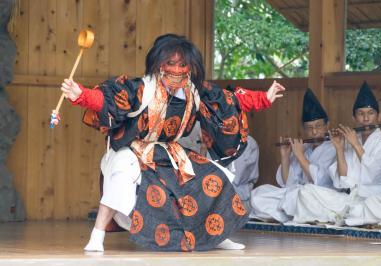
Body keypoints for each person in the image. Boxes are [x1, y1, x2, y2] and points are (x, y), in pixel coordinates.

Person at [60, 34, 285, 252]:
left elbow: (228, 100)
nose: (177, 70)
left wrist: (265, 98)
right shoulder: (141, 88)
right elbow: (109, 99)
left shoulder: (194, 92)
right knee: (121, 174)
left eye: (182, 64)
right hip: (133, 147)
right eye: (171, 63)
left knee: (215, 176)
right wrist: (81, 95)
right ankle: (97, 235)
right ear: (159, 64)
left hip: (169, 151)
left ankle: (218, 236)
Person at [293, 82, 381, 225]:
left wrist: (356, 145)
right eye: (361, 114)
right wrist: (339, 148)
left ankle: (342, 217)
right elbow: (342, 181)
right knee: (306, 192)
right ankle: (344, 217)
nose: (366, 119)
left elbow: (374, 174)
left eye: (370, 113)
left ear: (379, 117)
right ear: (354, 118)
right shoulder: (349, 141)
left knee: (371, 205)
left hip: (373, 197)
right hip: (349, 200)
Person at [250, 89, 336, 222]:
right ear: (303, 129)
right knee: (259, 194)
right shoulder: (303, 148)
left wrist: (300, 156)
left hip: (321, 197)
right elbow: (287, 184)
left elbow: (321, 180)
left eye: (318, 126)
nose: (314, 132)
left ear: (327, 126)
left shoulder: (334, 148)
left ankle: (288, 214)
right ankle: (291, 215)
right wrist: (285, 156)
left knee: (304, 194)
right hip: (297, 196)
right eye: (309, 128)